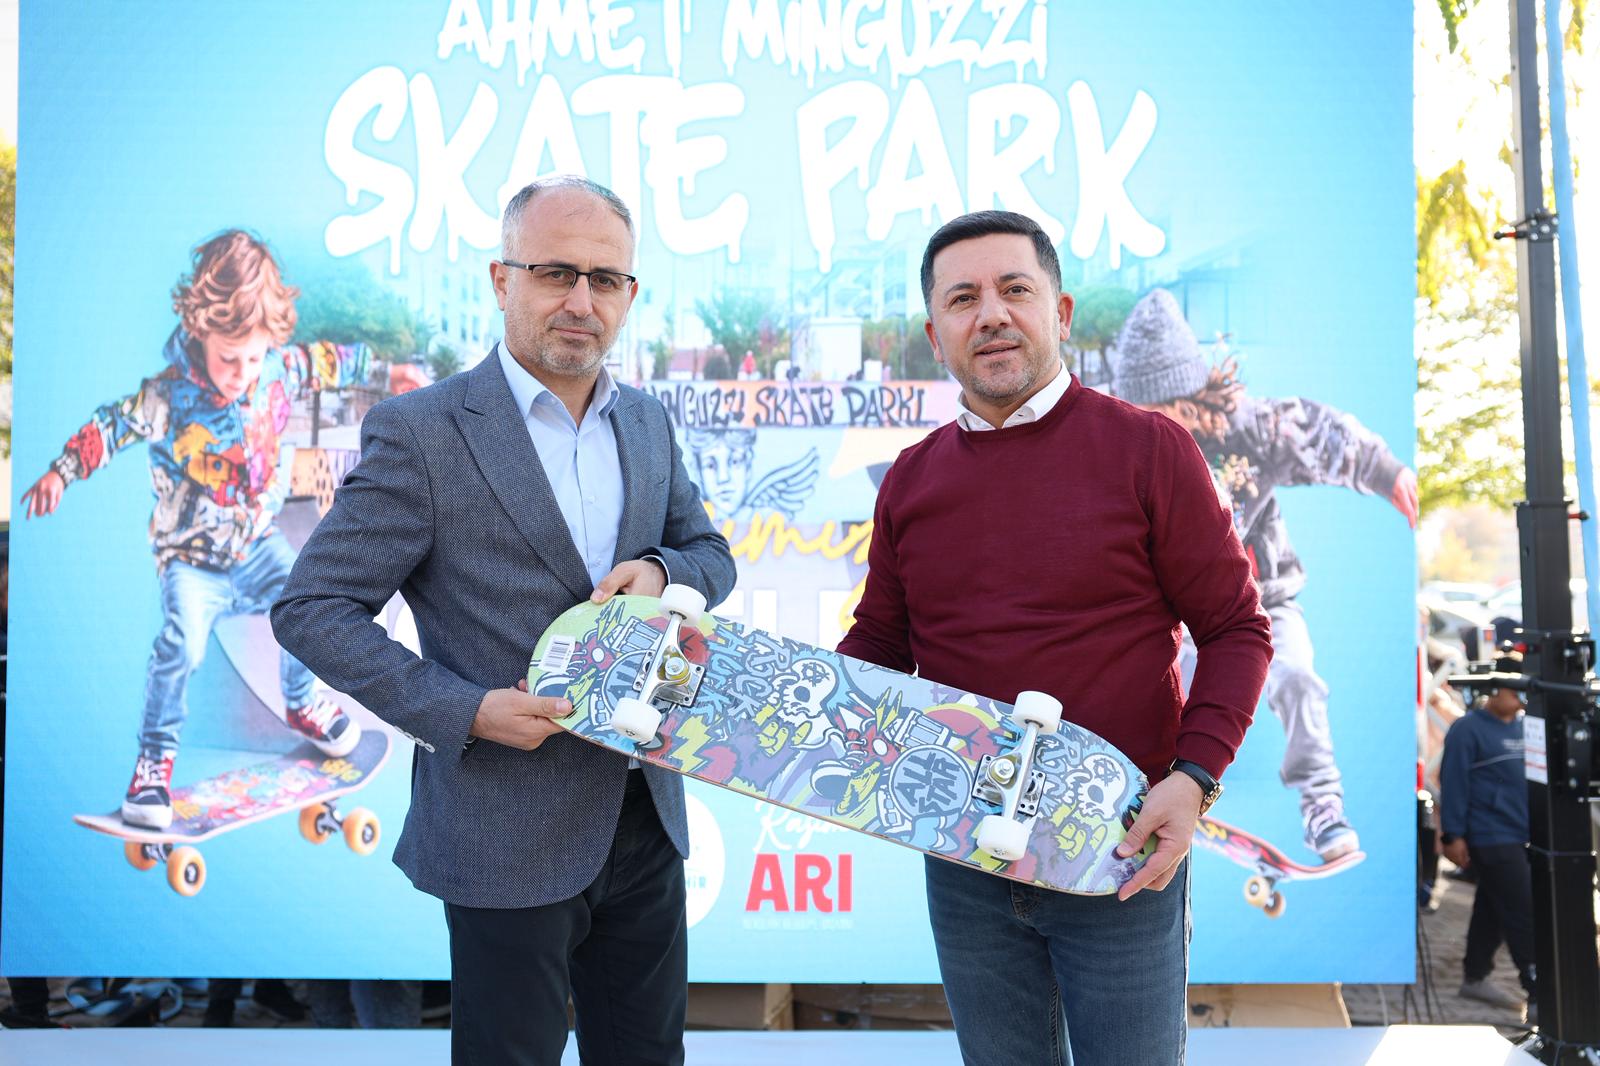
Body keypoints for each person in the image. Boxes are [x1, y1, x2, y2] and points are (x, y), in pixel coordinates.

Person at [272, 175, 736, 1066]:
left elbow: (709, 553)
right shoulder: (423, 432)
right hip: (503, 826)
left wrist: (662, 570)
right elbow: (312, 608)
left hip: (645, 813)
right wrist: (466, 710)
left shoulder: (646, 422)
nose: (581, 300)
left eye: (605, 279)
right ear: (501, 279)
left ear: (629, 293)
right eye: (556, 272)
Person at [838, 210, 1272, 1065]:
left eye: (1015, 290)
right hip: (964, 857)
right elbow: (880, 645)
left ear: (1060, 313)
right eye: (963, 298)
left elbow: (1236, 629)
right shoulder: (911, 480)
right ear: (935, 334)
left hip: (1122, 850)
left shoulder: (1150, 450)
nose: (991, 314)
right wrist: (790, 710)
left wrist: (1193, 780)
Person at [19, 231, 369, 828]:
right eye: (228, 359)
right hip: (191, 559)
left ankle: (302, 701)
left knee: (310, 602)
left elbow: (329, 361)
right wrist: (61, 470)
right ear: (199, 330)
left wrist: (395, 371)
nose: (241, 374)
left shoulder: (278, 369)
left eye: (252, 359)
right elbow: (113, 425)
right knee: (183, 644)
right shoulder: (169, 396)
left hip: (256, 544)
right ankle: (152, 766)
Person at [1109, 289, 1418, 861]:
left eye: (1158, 410)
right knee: (1154, 687)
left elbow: (1320, 431)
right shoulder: (1123, 446)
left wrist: (1385, 471)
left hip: (1261, 599)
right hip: (1172, 615)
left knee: (1297, 677)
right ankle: (1158, 789)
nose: (1150, 425)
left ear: (1187, 396)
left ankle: (1322, 804)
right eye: (1138, 411)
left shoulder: (1249, 428)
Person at [1440, 657, 1537, 1017]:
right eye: (1516, 690)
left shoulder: (1527, 727)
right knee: (1522, 909)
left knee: (1493, 905)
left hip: (1521, 833)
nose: (1522, 698)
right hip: (1490, 835)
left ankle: (1475, 976)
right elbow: (1453, 783)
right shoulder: (1467, 729)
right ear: (1495, 689)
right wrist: (1452, 834)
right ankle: (1538, 990)